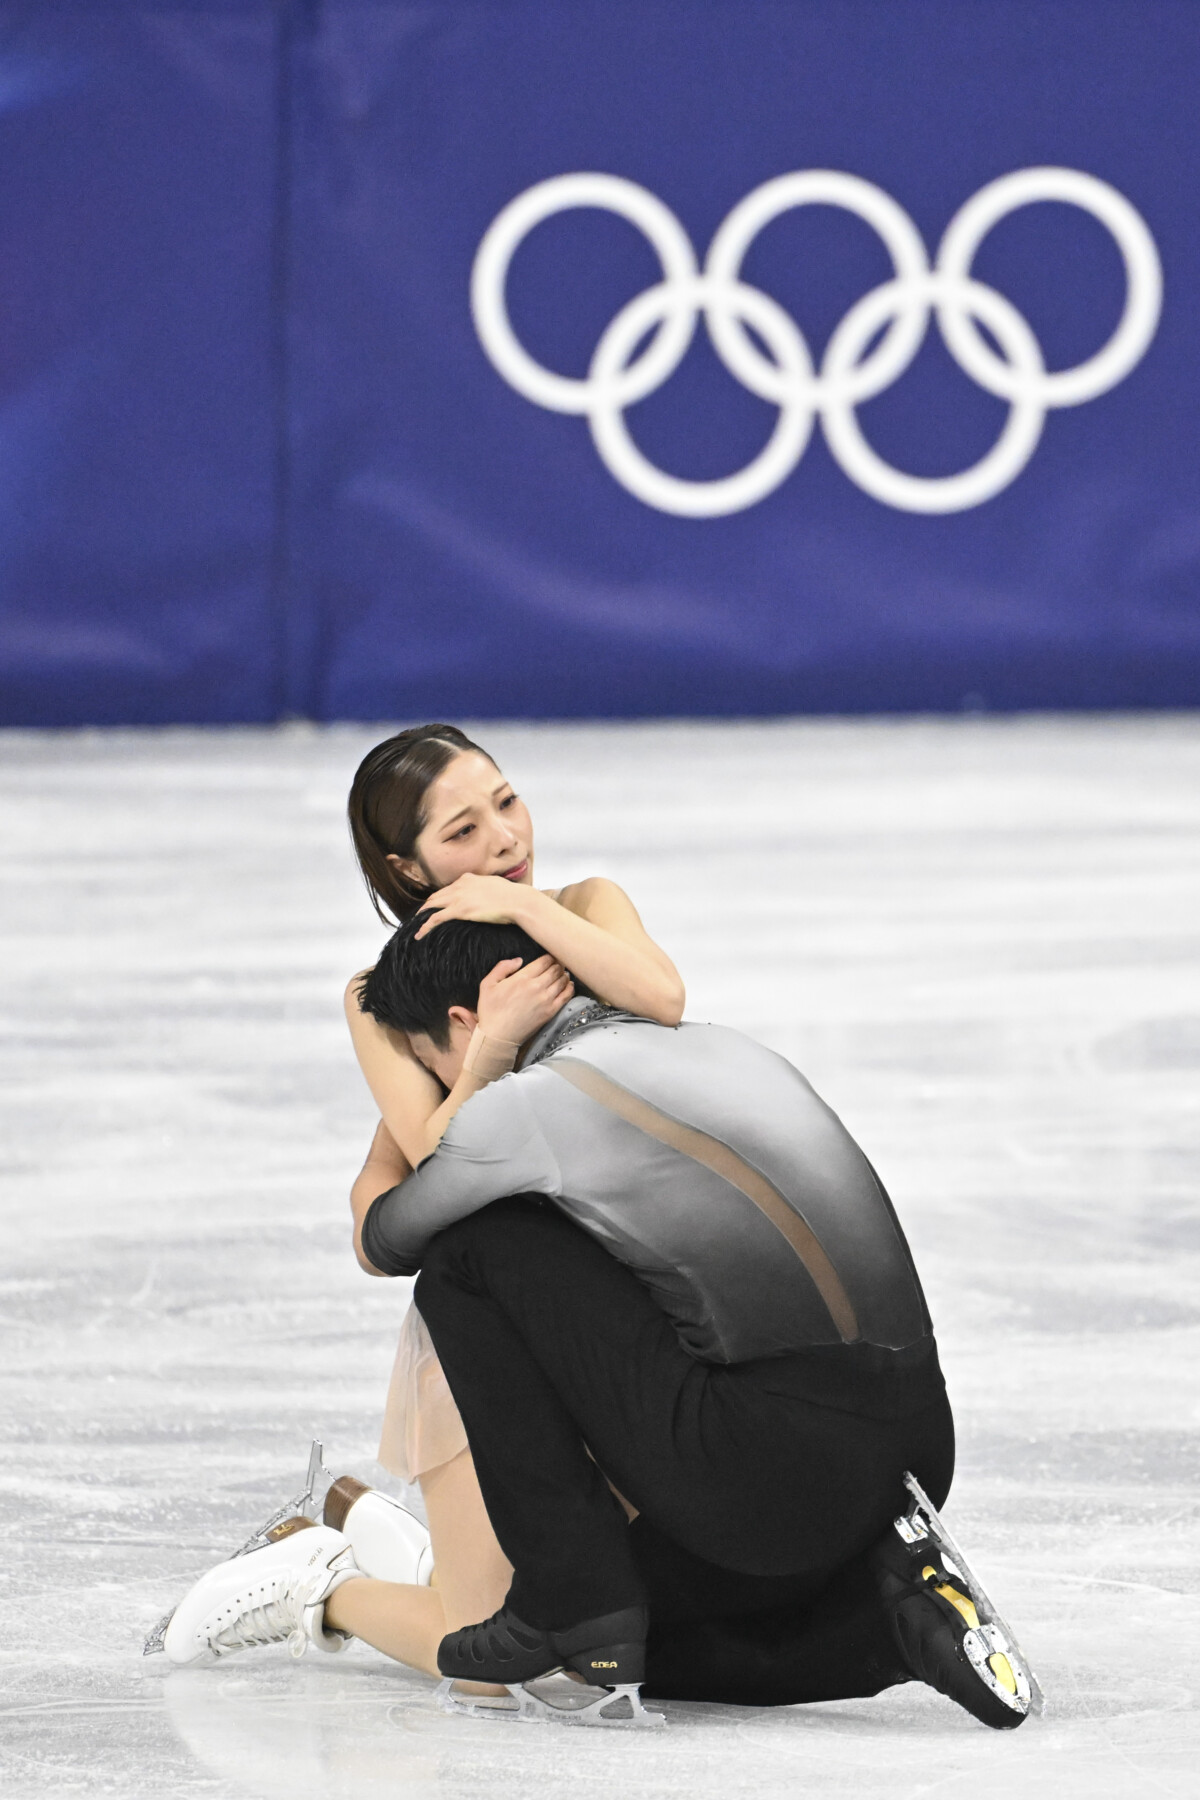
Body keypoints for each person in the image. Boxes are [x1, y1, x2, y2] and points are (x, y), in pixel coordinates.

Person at [163, 917, 1035, 1729]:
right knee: (613, 1644)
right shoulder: (715, 1048)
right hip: (915, 1447)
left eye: (432, 1067)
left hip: (769, 1472)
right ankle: (880, 1621)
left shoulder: (525, 1104)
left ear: (467, 1022)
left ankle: (570, 1597)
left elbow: (389, 1237)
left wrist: (457, 1090)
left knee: (470, 1247)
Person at [341, 723, 686, 1645]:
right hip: (496, 1319)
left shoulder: (583, 905)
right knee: (503, 1662)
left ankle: (405, 1552)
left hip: (631, 1307)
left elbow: (662, 998)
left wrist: (532, 914)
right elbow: (433, 1160)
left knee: (637, 1605)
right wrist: (489, 1045)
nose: (504, 842)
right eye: (461, 833)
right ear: (406, 868)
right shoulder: (384, 995)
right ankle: (315, 1590)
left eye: (506, 801)